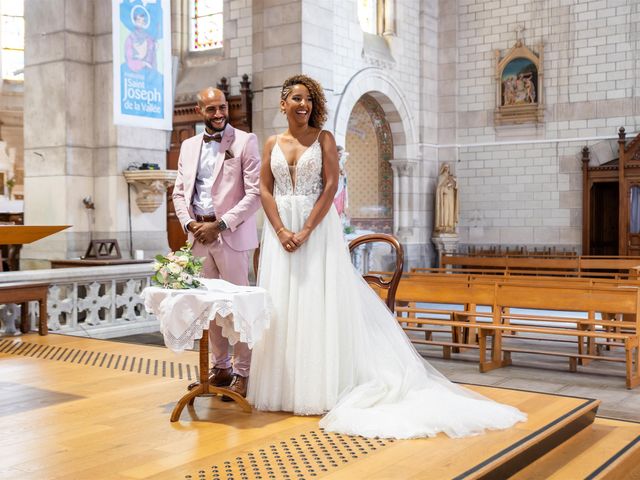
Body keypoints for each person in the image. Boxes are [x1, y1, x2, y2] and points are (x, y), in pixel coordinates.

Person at [248, 74, 526, 439]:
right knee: (284, 304)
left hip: (316, 231)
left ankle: (320, 387)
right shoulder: (271, 143)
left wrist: (305, 230)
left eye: (309, 100)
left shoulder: (324, 139)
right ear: (282, 104)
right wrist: (282, 230)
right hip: (279, 229)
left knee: (317, 302)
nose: (303, 105)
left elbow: (331, 186)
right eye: (296, 99)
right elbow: (263, 189)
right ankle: (284, 387)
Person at [172, 87, 261, 399]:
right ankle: (220, 368)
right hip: (198, 235)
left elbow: (254, 194)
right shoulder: (188, 145)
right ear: (200, 110)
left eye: (222, 107)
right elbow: (179, 193)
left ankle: (243, 372)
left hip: (230, 235)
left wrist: (219, 225)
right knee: (208, 308)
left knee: (239, 307)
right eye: (211, 109)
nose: (219, 114)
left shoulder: (245, 141)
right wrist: (190, 224)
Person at [434, 163, 459, 233]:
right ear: (443, 168)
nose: (447, 169)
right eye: (445, 167)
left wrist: (454, 184)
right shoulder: (441, 177)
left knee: (450, 211)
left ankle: (450, 226)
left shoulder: (451, 177)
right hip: (444, 198)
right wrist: (445, 187)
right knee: (445, 211)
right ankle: (443, 226)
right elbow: (439, 189)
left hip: (451, 197)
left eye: (448, 167)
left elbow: (456, 187)